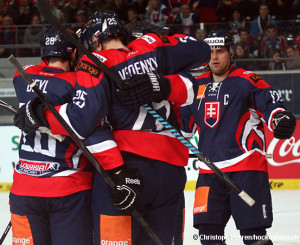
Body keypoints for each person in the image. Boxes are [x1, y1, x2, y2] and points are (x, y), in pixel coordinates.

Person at [13, 10, 211, 245]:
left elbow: (82, 122)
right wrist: (164, 73)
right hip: (171, 171)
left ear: (95, 41)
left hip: (126, 166)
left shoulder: (95, 62)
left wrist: (40, 113)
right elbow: (204, 53)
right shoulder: (152, 44)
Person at [178, 29, 296, 245]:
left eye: (220, 51)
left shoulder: (248, 80)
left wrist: (280, 119)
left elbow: (272, 107)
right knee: (208, 237)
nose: (214, 57)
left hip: (246, 170)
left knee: (254, 238)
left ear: (231, 52)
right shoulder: (195, 86)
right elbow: (183, 129)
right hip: (209, 173)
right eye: (210, 51)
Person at [10, 25, 125, 245]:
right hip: (67, 189)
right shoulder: (76, 83)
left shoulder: (21, 76)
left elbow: (44, 77)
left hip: (24, 189)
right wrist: (119, 172)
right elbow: (93, 132)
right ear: (73, 52)